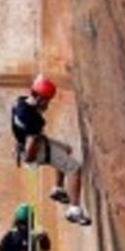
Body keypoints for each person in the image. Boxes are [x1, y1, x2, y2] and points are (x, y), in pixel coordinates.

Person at [11, 75, 92, 226]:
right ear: (38, 97)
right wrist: (30, 160)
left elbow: (17, 128)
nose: (48, 103)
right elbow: (31, 142)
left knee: (66, 149)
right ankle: (74, 210)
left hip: (30, 144)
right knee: (74, 168)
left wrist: (17, 145)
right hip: (35, 150)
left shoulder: (20, 103)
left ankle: (58, 189)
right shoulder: (32, 118)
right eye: (46, 100)